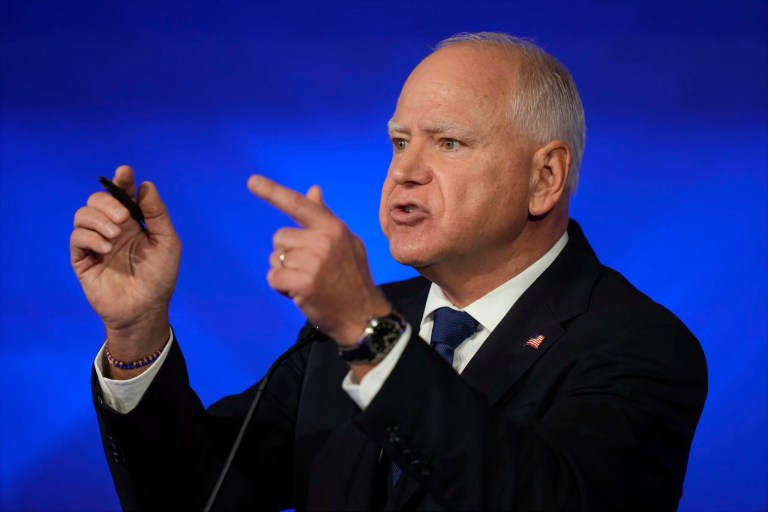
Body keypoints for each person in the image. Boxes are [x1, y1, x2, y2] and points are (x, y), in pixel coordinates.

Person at [71, 32, 707, 510]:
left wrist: (367, 329)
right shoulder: (341, 333)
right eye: (400, 142)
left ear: (545, 177)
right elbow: (193, 495)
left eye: (448, 143)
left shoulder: (640, 347)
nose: (405, 170)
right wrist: (137, 330)